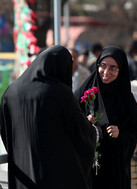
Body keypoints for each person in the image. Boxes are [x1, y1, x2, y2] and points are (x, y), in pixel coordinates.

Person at [0, 45, 98, 188]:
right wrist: (92, 129)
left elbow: (5, 131)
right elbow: (80, 132)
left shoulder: (11, 92)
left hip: (22, 174)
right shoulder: (61, 94)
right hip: (54, 177)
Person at [74, 46, 137, 189]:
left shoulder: (126, 100)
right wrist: (84, 123)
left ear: (121, 70)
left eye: (113, 68)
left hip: (115, 170)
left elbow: (134, 132)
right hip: (88, 168)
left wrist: (120, 134)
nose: (106, 72)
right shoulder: (85, 91)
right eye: (103, 66)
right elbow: (70, 120)